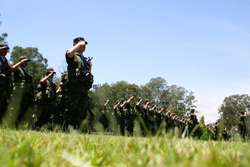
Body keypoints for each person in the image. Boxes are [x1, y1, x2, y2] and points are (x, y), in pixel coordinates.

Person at [64, 37, 94, 131]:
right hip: (74, 88)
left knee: (82, 112)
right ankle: (67, 131)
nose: (84, 46)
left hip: (83, 88)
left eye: (84, 45)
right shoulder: (73, 55)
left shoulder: (84, 59)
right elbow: (69, 53)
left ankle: (77, 131)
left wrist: (90, 67)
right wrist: (77, 45)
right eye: (82, 45)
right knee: (71, 111)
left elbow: (88, 74)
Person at [12, 56, 34, 128]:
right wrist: (20, 62)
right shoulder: (17, 68)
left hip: (25, 93)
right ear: (21, 61)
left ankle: (17, 125)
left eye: (27, 62)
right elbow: (12, 69)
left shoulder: (24, 71)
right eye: (25, 61)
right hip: (18, 92)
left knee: (23, 110)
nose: (26, 63)